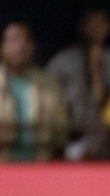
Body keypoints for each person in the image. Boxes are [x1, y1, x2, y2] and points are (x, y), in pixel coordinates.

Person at [46, 7, 110, 158]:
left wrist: (97, 76)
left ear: (109, 27)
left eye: (100, 22)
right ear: (81, 26)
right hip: (71, 141)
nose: (95, 27)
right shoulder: (61, 63)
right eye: (90, 22)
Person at [0, 21, 70, 160]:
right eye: (13, 41)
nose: (20, 47)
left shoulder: (50, 85)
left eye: (25, 41)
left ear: (32, 47)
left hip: (39, 166)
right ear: (2, 46)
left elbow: (62, 132)